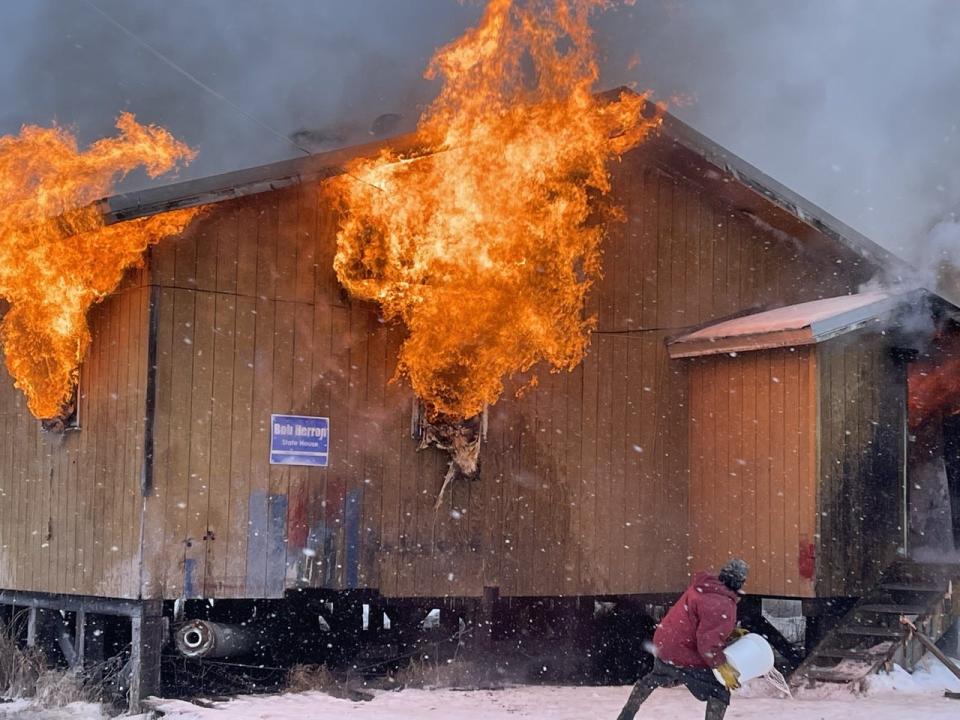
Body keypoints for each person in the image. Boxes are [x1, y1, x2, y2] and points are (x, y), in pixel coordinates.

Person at [615, 558, 749, 720]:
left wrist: (729, 632)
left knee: (652, 679)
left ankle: (625, 715)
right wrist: (722, 666)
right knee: (719, 691)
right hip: (685, 656)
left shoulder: (703, 587)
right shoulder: (721, 603)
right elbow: (708, 646)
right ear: (740, 582)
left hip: (664, 646)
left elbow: (697, 624)